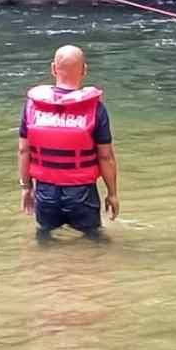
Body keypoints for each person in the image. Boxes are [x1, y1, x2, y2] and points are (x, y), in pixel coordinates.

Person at [18, 45, 120, 241]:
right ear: (84, 70)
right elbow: (105, 156)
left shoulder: (32, 106)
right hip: (81, 192)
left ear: (53, 69)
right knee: (94, 241)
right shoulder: (96, 109)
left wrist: (26, 187)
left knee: (44, 240)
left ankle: (44, 271)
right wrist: (112, 193)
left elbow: (24, 150)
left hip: (46, 191)